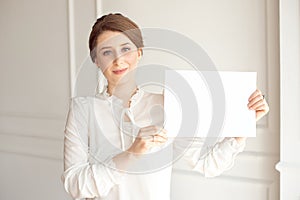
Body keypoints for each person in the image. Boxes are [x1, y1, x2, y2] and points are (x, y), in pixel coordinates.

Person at [62, 13, 269, 200]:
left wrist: (244, 124)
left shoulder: (167, 104)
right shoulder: (83, 109)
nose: (118, 60)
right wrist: (132, 153)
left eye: (126, 49)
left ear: (139, 53)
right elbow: (75, 185)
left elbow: (206, 164)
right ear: (96, 60)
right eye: (107, 52)